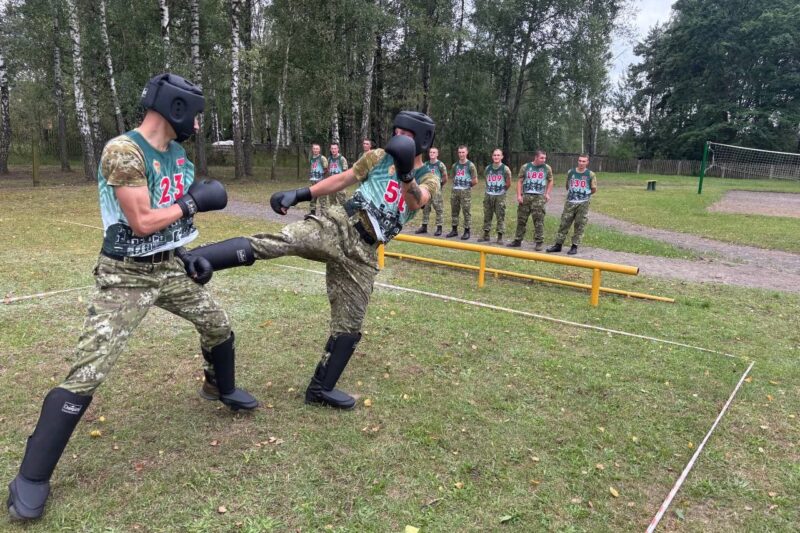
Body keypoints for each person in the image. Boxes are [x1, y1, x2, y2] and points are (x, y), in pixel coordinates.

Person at [6, 73, 258, 522]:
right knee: (90, 368)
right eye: (195, 117)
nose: (197, 127)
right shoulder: (123, 151)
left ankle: (221, 387)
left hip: (167, 267)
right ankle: (31, 476)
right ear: (176, 110)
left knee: (217, 323)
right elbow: (142, 221)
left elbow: (169, 217)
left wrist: (186, 255)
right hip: (126, 275)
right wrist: (192, 205)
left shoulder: (177, 154)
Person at [179, 111, 438, 410]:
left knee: (350, 323)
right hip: (341, 225)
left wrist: (407, 174)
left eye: (406, 135)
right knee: (283, 241)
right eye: (397, 132)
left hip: (365, 253)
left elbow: (416, 201)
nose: (399, 139)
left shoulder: (428, 177)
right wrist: (300, 193)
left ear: (421, 140)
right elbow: (344, 178)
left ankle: (320, 389)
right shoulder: (378, 157)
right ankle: (196, 258)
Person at [546, 154, 598, 255]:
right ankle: (558, 245)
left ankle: (574, 246)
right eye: (580, 161)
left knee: (579, 225)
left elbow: (594, 189)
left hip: (583, 204)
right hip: (570, 202)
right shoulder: (571, 172)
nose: (581, 163)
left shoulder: (590, 174)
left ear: (587, 162)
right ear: (577, 161)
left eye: (584, 161)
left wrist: (583, 195)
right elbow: (567, 185)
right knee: (564, 223)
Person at [509, 150, 553, 250]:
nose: (544, 160)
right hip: (526, 196)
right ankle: (517, 240)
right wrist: (519, 195)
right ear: (536, 157)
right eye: (542, 158)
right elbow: (519, 181)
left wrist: (547, 193)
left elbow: (550, 180)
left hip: (539, 197)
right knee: (521, 219)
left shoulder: (547, 168)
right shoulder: (526, 167)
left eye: (545, 158)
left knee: (538, 220)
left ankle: (539, 242)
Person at [478, 149, 512, 243]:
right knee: (487, 215)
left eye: (498, 155)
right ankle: (486, 234)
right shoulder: (488, 168)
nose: (496, 157)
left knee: (500, 215)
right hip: (489, 195)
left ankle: (500, 236)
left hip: (500, 196)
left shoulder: (505, 169)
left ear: (502, 157)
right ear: (492, 156)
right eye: (494, 155)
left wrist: (502, 191)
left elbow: (508, 183)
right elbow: (486, 180)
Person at [446, 145, 478, 240]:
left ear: (466, 152)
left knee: (466, 211)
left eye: (463, 152)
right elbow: (453, 178)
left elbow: (475, 180)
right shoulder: (455, 165)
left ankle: (467, 231)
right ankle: (454, 230)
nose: (461, 154)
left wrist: (466, 186)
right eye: (459, 152)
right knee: (454, 211)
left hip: (465, 192)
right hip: (455, 191)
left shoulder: (470, 165)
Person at [415, 146, 448, 236]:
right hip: (427, 190)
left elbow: (445, 177)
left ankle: (439, 227)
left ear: (437, 154)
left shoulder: (440, 165)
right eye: (430, 152)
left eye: (434, 152)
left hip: (436, 191)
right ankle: (424, 226)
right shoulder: (425, 164)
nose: (432, 154)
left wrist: (440, 185)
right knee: (425, 208)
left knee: (438, 209)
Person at [308, 143, 329, 215]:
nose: (315, 150)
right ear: (312, 149)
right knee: (312, 197)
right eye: (314, 149)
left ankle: (324, 214)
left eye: (317, 149)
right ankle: (312, 213)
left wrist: (322, 178)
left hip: (320, 181)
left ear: (319, 150)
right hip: (313, 180)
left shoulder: (322, 158)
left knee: (322, 199)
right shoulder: (311, 158)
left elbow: (326, 169)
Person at [327, 142, 348, 206]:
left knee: (343, 202)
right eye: (332, 148)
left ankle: (348, 215)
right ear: (330, 149)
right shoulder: (329, 159)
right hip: (331, 184)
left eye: (335, 148)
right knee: (332, 202)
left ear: (338, 149)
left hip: (340, 184)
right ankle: (334, 215)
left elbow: (345, 172)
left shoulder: (342, 159)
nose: (333, 150)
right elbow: (328, 170)